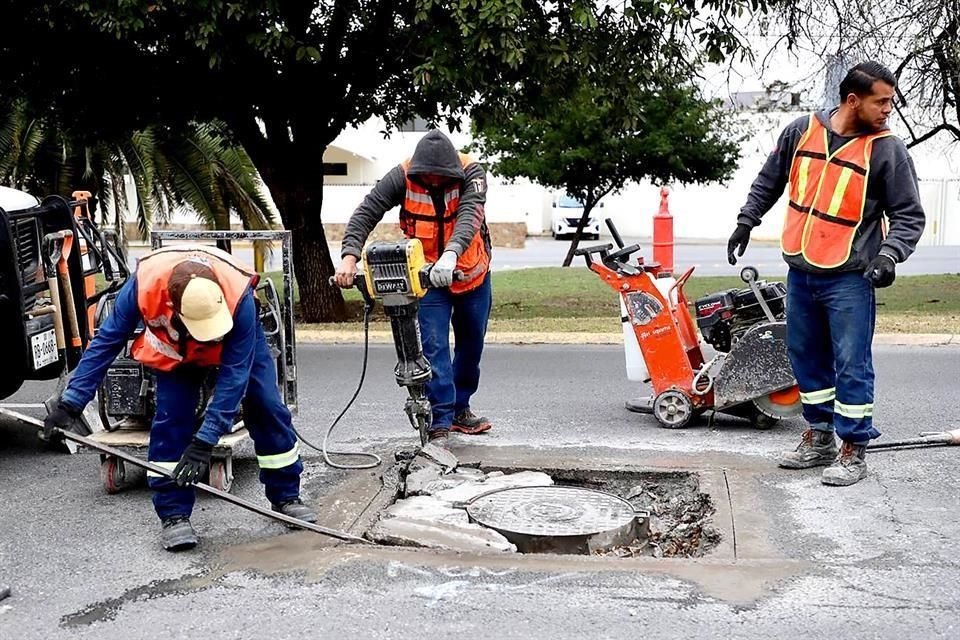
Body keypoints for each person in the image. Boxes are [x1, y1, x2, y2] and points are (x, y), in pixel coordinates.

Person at [728, 61, 925, 486]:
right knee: (805, 357)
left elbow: (908, 215)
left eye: (890, 101)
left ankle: (853, 449)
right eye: (882, 101)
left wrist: (889, 255)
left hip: (851, 278)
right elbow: (770, 180)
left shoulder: (888, 150)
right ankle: (819, 437)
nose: (889, 109)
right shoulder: (801, 131)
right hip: (801, 271)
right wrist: (747, 220)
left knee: (852, 363)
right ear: (852, 100)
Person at [43, 245, 316, 550]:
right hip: (175, 350)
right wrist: (71, 402)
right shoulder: (143, 287)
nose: (209, 336)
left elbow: (234, 376)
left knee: (266, 406)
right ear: (174, 307)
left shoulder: (239, 299)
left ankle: (286, 495)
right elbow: (107, 342)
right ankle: (173, 514)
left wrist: (205, 441)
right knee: (171, 419)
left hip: (238, 341)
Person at [334, 130, 493, 446]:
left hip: (470, 273)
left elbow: (470, 215)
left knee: (471, 345)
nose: (433, 181)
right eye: (428, 176)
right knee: (433, 346)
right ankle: (441, 419)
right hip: (426, 276)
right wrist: (349, 258)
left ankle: (461, 408)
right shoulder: (403, 174)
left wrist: (452, 254)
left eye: (440, 177)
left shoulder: (472, 172)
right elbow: (367, 211)